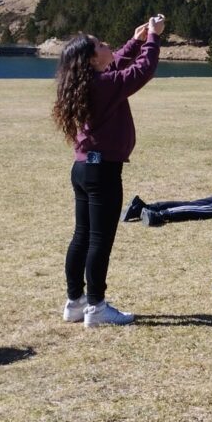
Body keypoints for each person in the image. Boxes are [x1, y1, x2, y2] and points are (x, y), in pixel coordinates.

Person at [53, 18, 164, 327]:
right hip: (103, 173)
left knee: (82, 236)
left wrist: (136, 41)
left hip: (83, 169)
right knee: (99, 240)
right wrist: (153, 38)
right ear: (91, 59)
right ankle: (97, 307)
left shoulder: (88, 83)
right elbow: (141, 71)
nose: (106, 46)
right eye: (100, 45)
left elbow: (116, 66)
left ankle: (75, 302)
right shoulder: (102, 85)